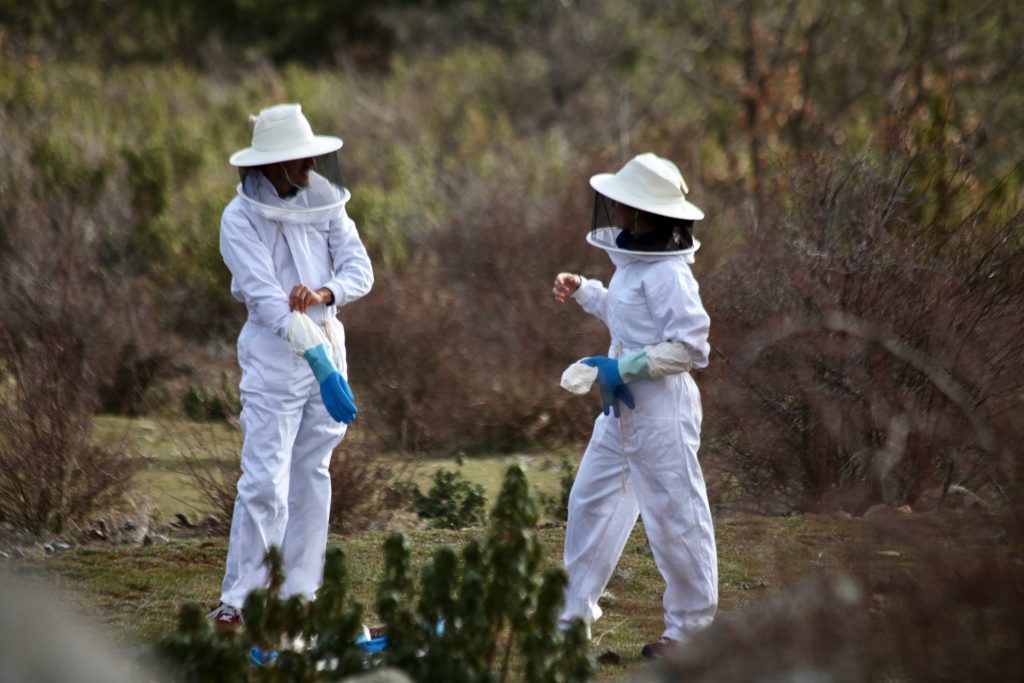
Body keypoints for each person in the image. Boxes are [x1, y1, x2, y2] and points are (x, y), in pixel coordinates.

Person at [207, 103, 374, 628]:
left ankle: (300, 595)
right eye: (300, 158)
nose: (310, 166)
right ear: (272, 163)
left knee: (312, 473)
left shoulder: (325, 202)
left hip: (328, 342)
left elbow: (360, 269)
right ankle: (241, 602)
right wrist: (317, 359)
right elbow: (266, 299)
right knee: (264, 479)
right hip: (275, 359)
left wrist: (325, 292)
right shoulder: (239, 219)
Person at [552, 153, 718, 659]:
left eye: (622, 201)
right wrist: (585, 291)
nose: (613, 207)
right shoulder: (634, 263)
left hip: (662, 412)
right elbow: (627, 317)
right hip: (621, 410)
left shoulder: (669, 274)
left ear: (642, 211)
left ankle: (690, 633)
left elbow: (691, 348)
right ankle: (571, 617)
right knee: (591, 501)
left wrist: (622, 369)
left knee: (674, 517)